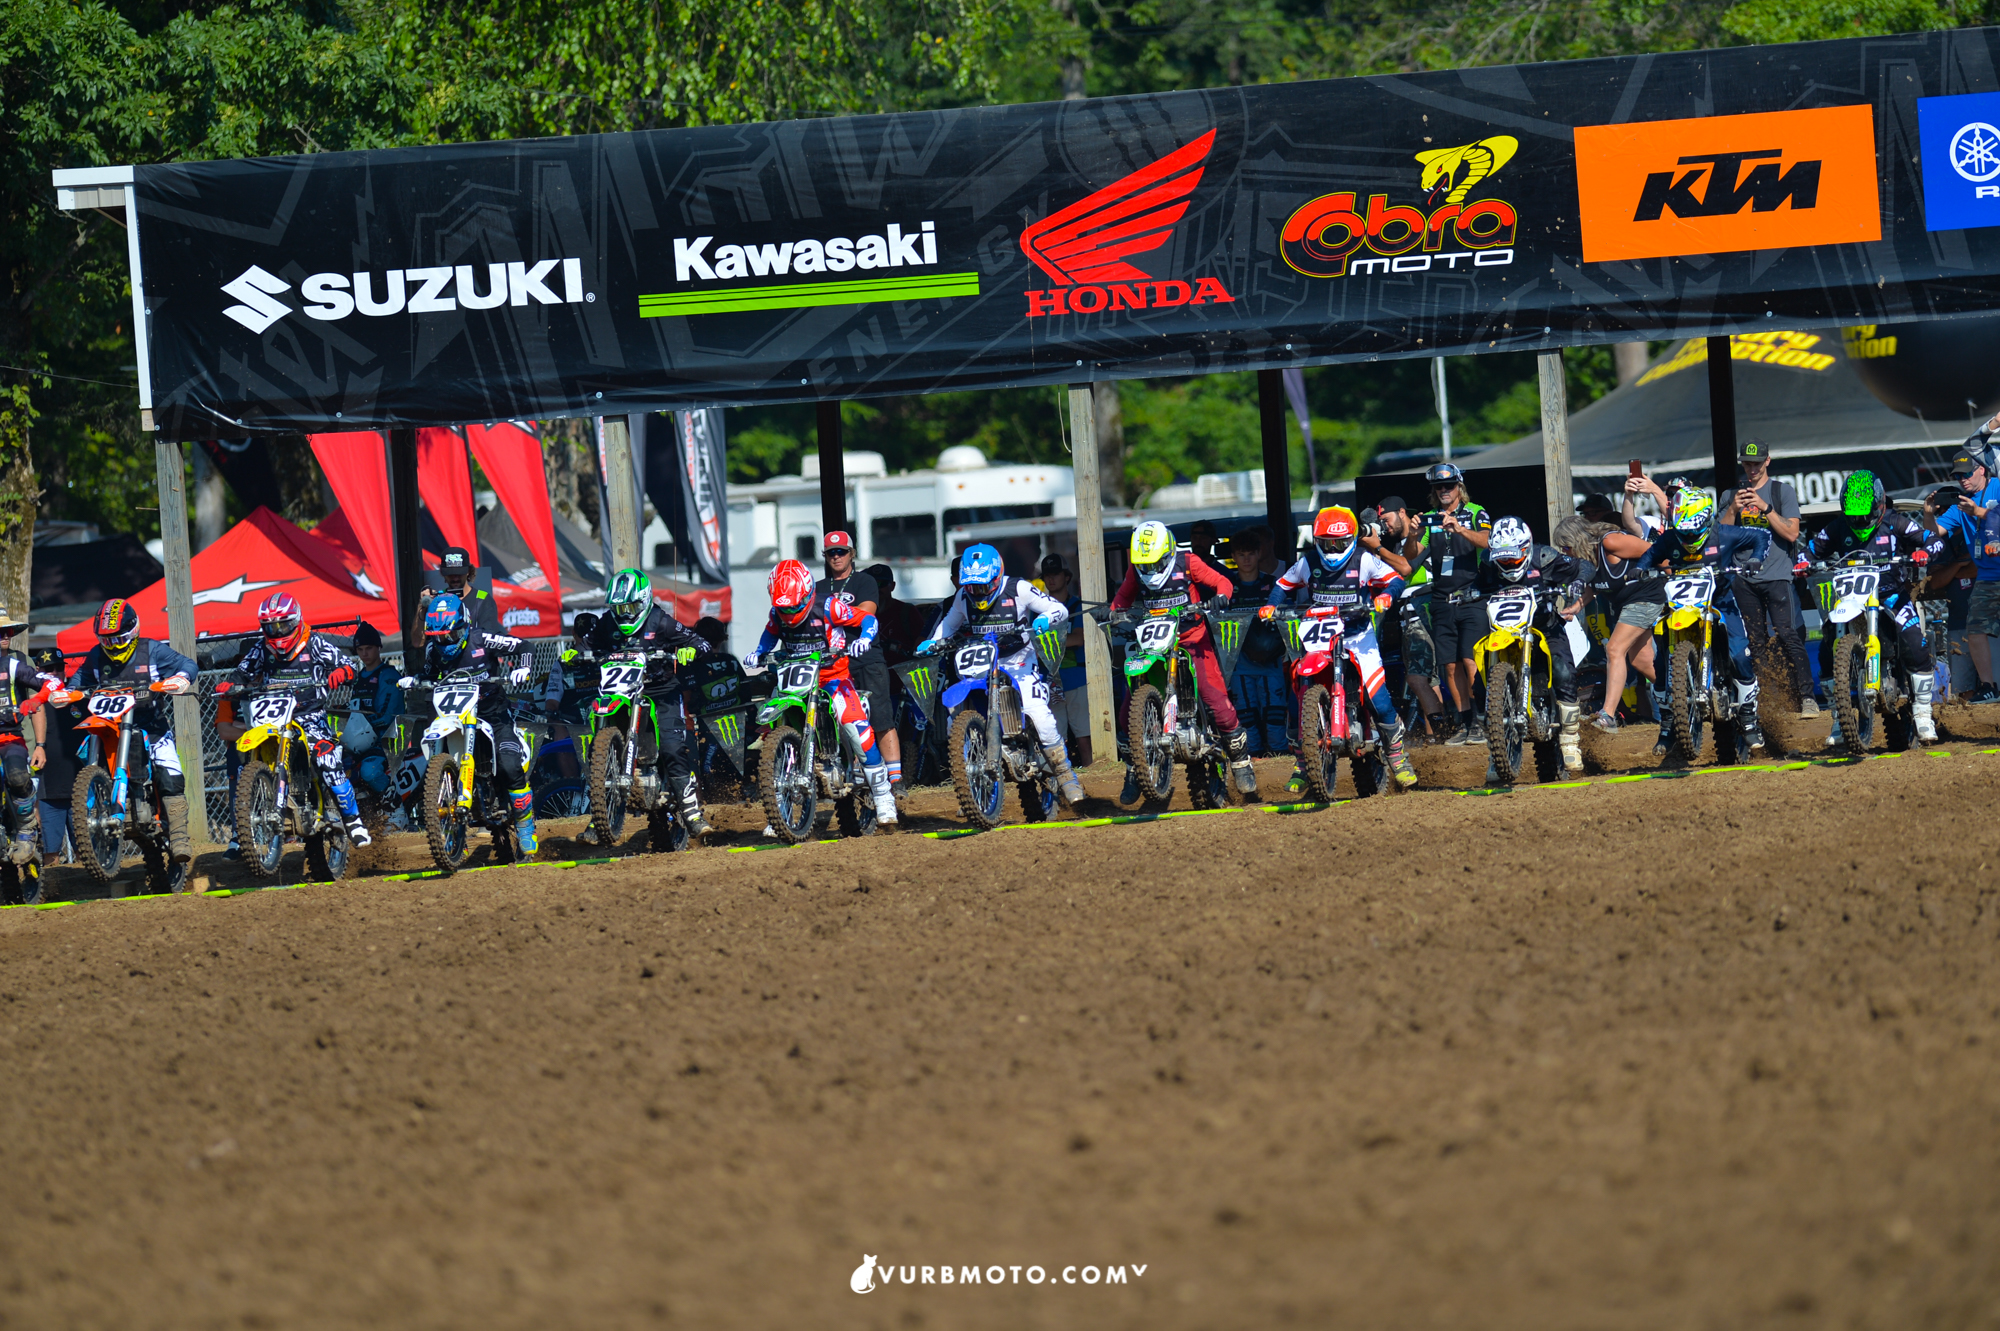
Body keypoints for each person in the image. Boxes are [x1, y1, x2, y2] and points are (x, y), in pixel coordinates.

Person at [1259, 506, 1419, 787]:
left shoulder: (1364, 559)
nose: (1333, 550)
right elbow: (1283, 584)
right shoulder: (1308, 561)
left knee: (1378, 697)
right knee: (1297, 696)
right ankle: (1303, 762)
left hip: (1358, 635)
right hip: (1320, 633)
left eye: (1339, 543)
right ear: (1316, 541)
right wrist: (1272, 605)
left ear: (1352, 538)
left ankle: (1397, 757)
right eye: (1326, 544)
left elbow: (1395, 579)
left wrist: (1386, 596)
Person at [33, 599, 199, 865]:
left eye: (117, 639)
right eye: (106, 640)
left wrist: (180, 678)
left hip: (150, 725)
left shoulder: (152, 650)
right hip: (109, 727)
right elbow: (79, 681)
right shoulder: (96, 656)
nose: (111, 645)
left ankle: (179, 835)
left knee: (170, 772)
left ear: (133, 631)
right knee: (86, 755)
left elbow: (188, 664)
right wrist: (69, 692)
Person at [917, 543, 1084, 804]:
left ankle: (1065, 775)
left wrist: (1045, 619)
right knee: (954, 716)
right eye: (972, 586)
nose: (978, 592)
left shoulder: (1018, 588)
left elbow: (1059, 609)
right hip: (982, 660)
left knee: (1038, 714)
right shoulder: (963, 597)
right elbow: (948, 624)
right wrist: (933, 641)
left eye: (983, 585)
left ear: (996, 577)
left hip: (1019, 659)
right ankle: (971, 787)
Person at [745, 559, 898, 828]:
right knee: (770, 724)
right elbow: (770, 634)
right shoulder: (776, 613)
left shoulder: (828, 606)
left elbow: (868, 619)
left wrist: (864, 639)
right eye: (784, 607)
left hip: (833, 677)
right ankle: (779, 808)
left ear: (807, 595)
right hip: (793, 678)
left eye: (794, 606)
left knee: (855, 726)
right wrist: (759, 652)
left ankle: (883, 795)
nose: (789, 612)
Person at [1110, 520, 1257, 798]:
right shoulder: (1135, 570)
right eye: (1145, 566)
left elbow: (1222, 582)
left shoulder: (1188, 562)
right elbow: (1122, 598)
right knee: (1128, 708)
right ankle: (1133, 769)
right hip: (1153, 644)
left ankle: (1241, 762)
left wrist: (1221, 597)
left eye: (1155, 564)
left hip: (1191, 638)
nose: (1150, 571)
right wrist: (1114, 612)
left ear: (1167, 554)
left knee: (1215, 698)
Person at [217, 592, 374, 848]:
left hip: (310, 716)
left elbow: (349, 665)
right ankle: (249, 823)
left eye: (283, 625)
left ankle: (353, 820)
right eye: (271, 627)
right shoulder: (261, 648)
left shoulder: (314, 643)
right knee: (249, 755)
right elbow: (242, 672)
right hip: (272, 717)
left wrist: (342, 672)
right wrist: (231, 683)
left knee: (327, 760)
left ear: (296, 620)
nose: (278, 632)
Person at [1800, 470, 1940, 743]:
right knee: (1828, 644)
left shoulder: (1896, 522)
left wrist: (1923, 552)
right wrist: (1803, 562)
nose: (1859, 521)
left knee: (1914, 641)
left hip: (1891, 594)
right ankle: (1839, 718)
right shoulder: (1837, 527)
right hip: (1851, 597)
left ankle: (1923, 713)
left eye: (1864, 515)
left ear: (1879, 506)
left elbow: (1933, 540)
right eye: (1853, 516)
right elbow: (1812, 549)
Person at [401, 592, 541, 854]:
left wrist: (523, 668)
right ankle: (453, 834)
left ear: (464, 626)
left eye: (451, 635)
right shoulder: (433, 650)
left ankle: (525, 825)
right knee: (436, 760)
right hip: (454, 716)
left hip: (492, 714)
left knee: (509, 765)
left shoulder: (483, 638)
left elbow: (524, 646)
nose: (445, 641)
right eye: (439, 637)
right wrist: (415, 679)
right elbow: (429, 673)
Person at [579, 568, 712, 840]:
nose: (625, 614)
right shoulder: (607, 622)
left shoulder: (661, 621)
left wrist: (690, 649)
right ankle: (599, 816)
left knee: (672, 748)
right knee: (598, 746)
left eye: (631, 607)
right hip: (621, 692)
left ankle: (691, 812)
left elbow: (701, 643)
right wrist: (576, 653)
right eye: (620, 608)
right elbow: (586, 644)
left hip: (661, 692)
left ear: (644, 601)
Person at [1639, 489, 1772, 754]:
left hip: (1720, 601)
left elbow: (1761, 536)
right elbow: (1650, 555)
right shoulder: (1670, 538)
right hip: (1680, 606)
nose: (1688, 538)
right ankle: (1668, 723)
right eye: (1684, 533)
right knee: (1661, 658)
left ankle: (1748, 717)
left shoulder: (1724, 534)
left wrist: (1756, 559)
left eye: (1693, 533)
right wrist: (1640, 569)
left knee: (1739, 654)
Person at [1467, 517, 1588, 774]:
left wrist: (1577, 582)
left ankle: (1569, 740)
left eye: (1513, 559)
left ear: (1525, 548)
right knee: (1479, 684)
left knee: (1563, 670)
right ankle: (1496, 750)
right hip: (1505, 631)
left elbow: (1584, 566)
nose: (1508, 564)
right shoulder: (1488, 562)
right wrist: (1469, 591)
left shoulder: (1544, 557)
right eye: (1503, 560)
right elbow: (1479, 583)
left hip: (1544, 626)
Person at [1718, 439, 1814, 715]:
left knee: (1787, 634)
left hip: (1777, 575)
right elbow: (1720, 538)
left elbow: (1792, 533)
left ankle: (1807, 697)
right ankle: (1767, 701)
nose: (1752, 470)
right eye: (1747, 464)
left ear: (1767, 461)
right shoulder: (1729, 495)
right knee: (1755, 642)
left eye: (1757, 464)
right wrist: (1733, 509)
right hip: (1743, 578)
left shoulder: (1782, 491)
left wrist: (1764, 507)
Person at [1553, 514, 1664, 733]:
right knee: (1641, 662)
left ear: (1576, 540)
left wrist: (1673, 576)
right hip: (1625, 605)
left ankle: (1608, 715)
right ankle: (1681, 696)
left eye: (1565, 548)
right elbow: (1591, 589)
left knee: (1614, 649)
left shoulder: (1610, 542)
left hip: (1645, 596)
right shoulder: (1587, 561)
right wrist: (1576, 607)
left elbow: (1655, 551)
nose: (1565, 553)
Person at [819, 531, 903, 793]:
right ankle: (847, 773)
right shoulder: (818, 587)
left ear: (851, 554)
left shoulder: (864, 581)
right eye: (831, 552)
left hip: (866, 659)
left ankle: (896, 780)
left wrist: (830, 614)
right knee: (836, 722)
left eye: (841, 551)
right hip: (831, 665)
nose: (836, 556)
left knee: (880, 718)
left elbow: (867, 613)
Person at [1917, 448, 2000, 702]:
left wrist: (1978, 512)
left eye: (1966, 474)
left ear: (1981, 470)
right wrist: (1928, 513)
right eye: (1958, 476)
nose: (1962, 480)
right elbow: (1933, 534)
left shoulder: (1997, 487)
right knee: (1975, 628)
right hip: (1987, 576)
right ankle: (1989, 686)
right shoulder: (1959, 504)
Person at [1035, 552, 1094, 767]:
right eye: (1047, 575)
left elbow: (1079, 639)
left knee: (1084, 738)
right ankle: (1060, 778)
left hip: (1077, 678)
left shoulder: (1077, 606)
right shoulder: (1037, 610)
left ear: (1067, 577)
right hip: (1049, 682)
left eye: (1056, 574)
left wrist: (1047, 642)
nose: (1051, 579)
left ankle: (1093, 775)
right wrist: (1060, 641)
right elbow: (1032, 644)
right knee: (1055, 740)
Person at [0, 614, 48, 866]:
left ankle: (33, 848)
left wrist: (40, 745)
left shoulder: (20, 661)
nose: (5, 636)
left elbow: (38, 702)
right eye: (0, 632)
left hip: (21, 742)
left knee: (25, 794)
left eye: (8, 631)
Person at [346, 620, 404, 798]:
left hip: (387, 739)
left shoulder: (389, 675)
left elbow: (387, 716)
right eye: (360, 649)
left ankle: (395, 807)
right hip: (360, 741)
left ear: (379, 647)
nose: (364, 653)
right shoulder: (358, 678)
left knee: (369, 771)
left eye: (369, 648)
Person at [426, 545, 502, 633]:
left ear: (468, 572)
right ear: (443, 574)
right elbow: (419, 640)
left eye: (459, 574)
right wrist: (422, 607)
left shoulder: (483, 600)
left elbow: (489, 636)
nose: (455, 578)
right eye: (450, 574)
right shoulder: (436, 600)